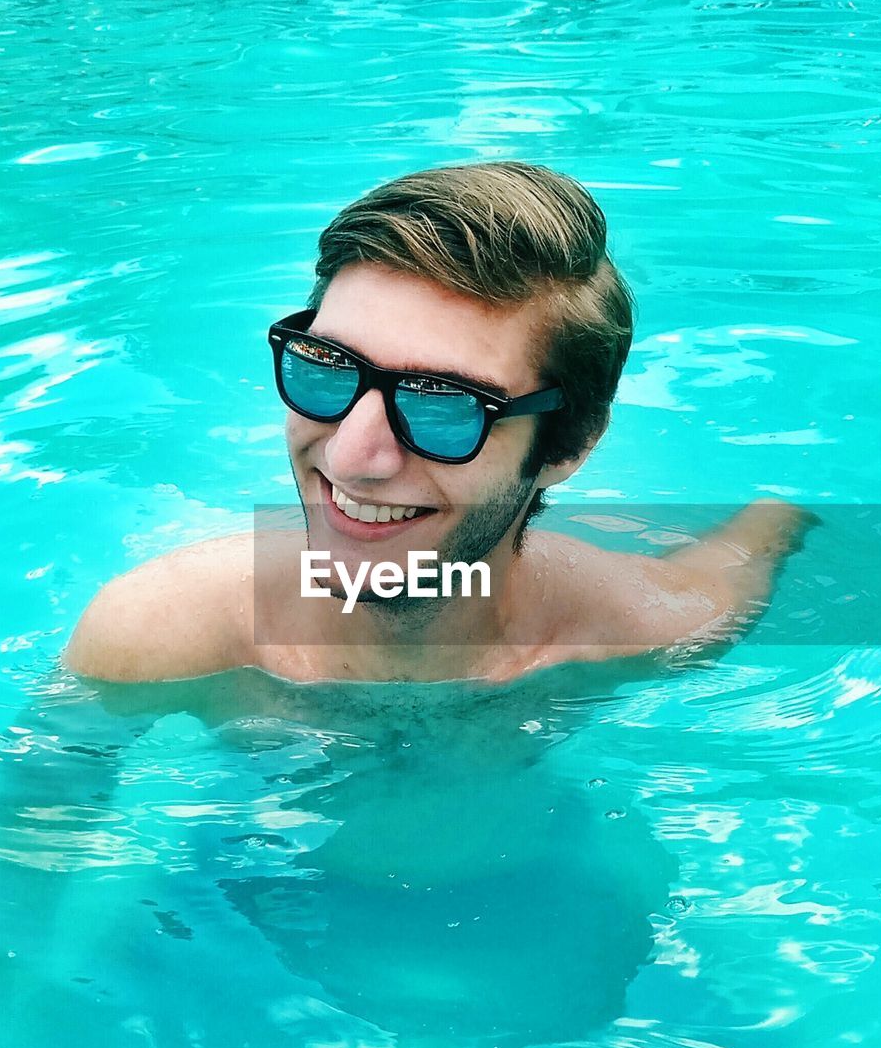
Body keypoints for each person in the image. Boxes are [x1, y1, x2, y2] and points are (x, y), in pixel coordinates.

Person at [65, 160, 815, 685]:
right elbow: (12, 878)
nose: (354, 458)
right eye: (327, 367)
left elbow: (766, 534)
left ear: (572, 445)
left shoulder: (656, 628)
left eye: (443, 404)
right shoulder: (152, 632)